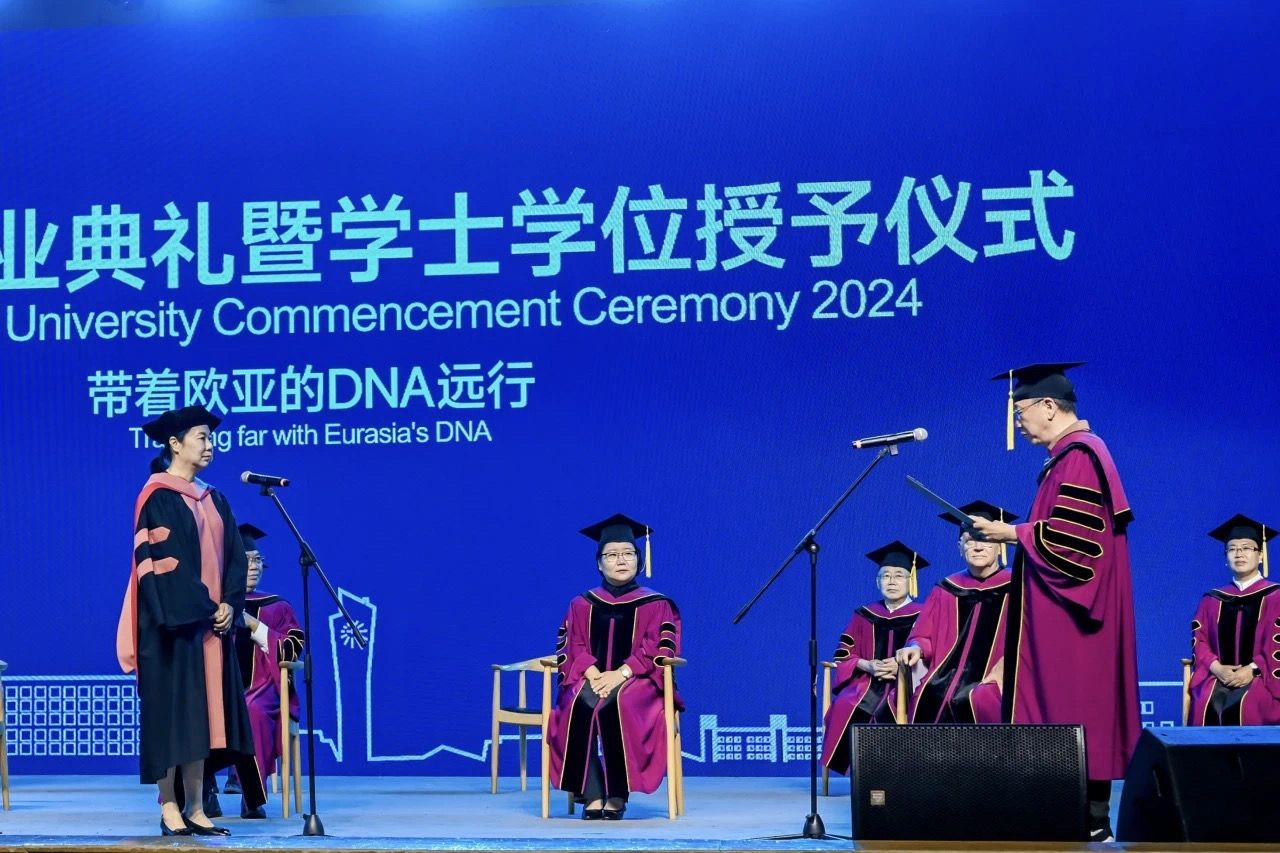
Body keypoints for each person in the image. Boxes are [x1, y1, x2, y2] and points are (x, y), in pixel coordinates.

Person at [970, 363, 1139, 842]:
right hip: (1059, 611)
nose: (1018, 422)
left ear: (1048, 406)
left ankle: (1091, 822)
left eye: (1020, 411)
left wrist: (1012, 533)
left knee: (1078, 706)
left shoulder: (1081, 456)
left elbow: (1076, 542)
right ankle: (1068, 818)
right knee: (1067, 707)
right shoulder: (1067, 457)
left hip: (1076, 616)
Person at [115, 406, 261, 836]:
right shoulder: (157, 497)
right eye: (201, 437)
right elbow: (165, 565)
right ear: (175, 444)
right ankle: (169, 805)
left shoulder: (214, 498)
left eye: (210, 437)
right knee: (173, 717)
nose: (209, 445)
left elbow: (235, 559)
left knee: (203, 716)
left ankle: (196, 806)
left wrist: (230, 603)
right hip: (172, 627)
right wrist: (206, 607)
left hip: (211, 627)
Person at [547, 514, 682, 820]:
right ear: (599, 563)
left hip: (640, 680)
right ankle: (592, 792)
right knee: (579, 703)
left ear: (639, 560)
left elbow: (657, 648)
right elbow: (572, 645)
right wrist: (594, 674)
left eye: (628, 553)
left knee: (614, 705)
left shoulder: (656, 603)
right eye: (611, 555)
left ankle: (618, 794)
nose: (621, 560)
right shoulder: (581, 604)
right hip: (591, 677)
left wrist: (620, 674)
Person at [204, 523, 304, 819]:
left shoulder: (277, 607)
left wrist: (255, 625)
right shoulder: (214, 605)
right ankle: (204, 794)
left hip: (262, 689)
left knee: (251, 709)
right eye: (246, 561)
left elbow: (293, 649)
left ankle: (251, 797)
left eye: (258, 560)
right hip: (216, 688)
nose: (254, 567)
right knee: (199, 711)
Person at [897, 501, 1016, 724]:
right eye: (969, 541)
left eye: (985, 539)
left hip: (998, 676)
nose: (977, 547)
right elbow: (924, 635)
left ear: (1000, 545)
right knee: (927, 695)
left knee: (980, 699)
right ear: (959, 548)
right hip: (945, 679)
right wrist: (915, 648)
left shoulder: (1017, 586)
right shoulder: (945, 589)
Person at [819, 541, 926, 776]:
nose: (891, 581)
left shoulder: (924, 613)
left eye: (899, 575)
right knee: (846, 703)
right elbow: (844, 653)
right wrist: (867, 665)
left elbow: (934, 651)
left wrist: (902, 668)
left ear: (911, 581)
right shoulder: (864, 614)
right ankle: (863, 774)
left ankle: (893, 775)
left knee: (892, 705)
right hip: (867, 681)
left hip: (909, 683)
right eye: (885, 576)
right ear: (877, 582)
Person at [1187, 514, 1280, 726]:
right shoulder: (1212, 599)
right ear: (1226, 558)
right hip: (1218, 677)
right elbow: (1200, 641)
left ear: (1260, 555)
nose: (1239, 554)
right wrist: (1217, 668)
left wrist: (1253, 669)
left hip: (1262, 678)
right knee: (1205, 701)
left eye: (1246, 548)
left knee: (1250, 703)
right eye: (1232, 549)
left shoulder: (1276, 597)